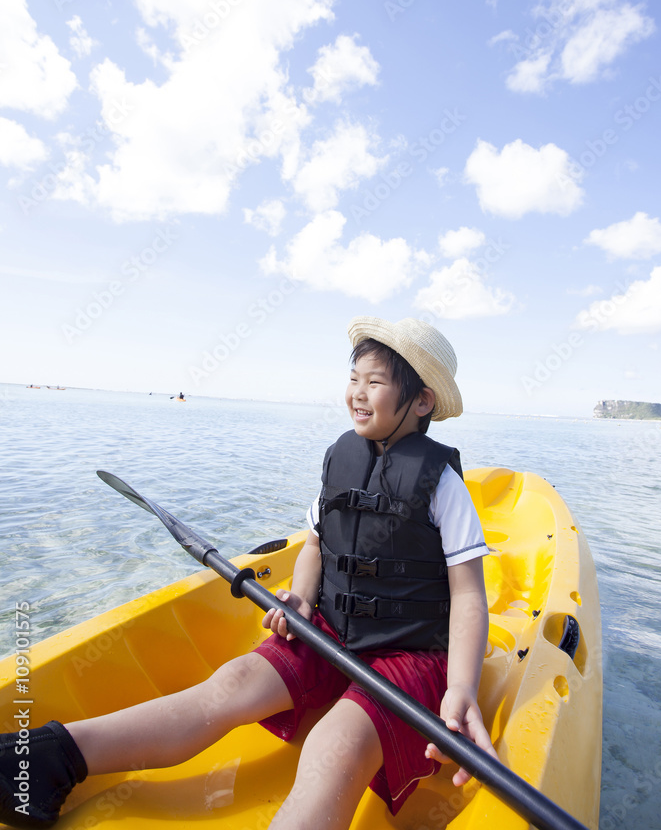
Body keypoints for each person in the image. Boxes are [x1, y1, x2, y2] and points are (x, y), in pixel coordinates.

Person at [0, 316, 495, 830]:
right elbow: (317, 546)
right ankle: (45, 759)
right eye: (354, 378)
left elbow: (468, 596)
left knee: (337, 741)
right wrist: (302, 599)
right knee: (231, 683)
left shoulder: (441, 485)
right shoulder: (341, 460)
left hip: (408, 653)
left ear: (421, 402)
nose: (357, 393)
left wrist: (460, 686)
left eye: (375, 382)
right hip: (329, 632)